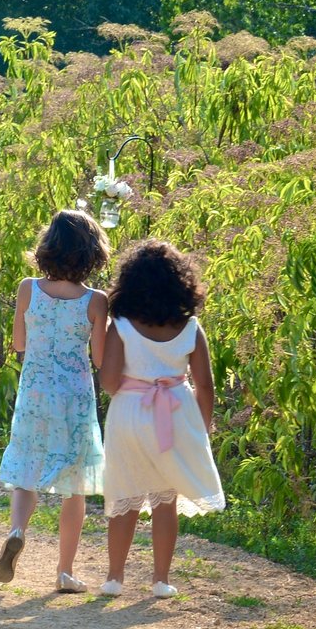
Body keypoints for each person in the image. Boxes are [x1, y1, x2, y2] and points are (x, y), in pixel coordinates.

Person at [97, 239, 226, 596]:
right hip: (176, 414)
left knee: (125, 498)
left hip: (129, 415)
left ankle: (114, 578)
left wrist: (134, 381)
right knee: (164, 501)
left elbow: (108, 382)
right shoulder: (190, 327)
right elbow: (205, 385)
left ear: (131, 283)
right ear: (181, 283)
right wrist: (200, 429)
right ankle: (161, 580)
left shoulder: (120, 324)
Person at [0, 210, 110, 592]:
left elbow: (19, 344)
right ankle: (64, 571)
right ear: (92, 253)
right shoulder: (96, 301)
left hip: (35, 391)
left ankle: (16, 530)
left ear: (48, 247)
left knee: (27, 469)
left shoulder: (29, 288)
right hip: (74, 397)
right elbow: (100, 359)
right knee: (74, 485)